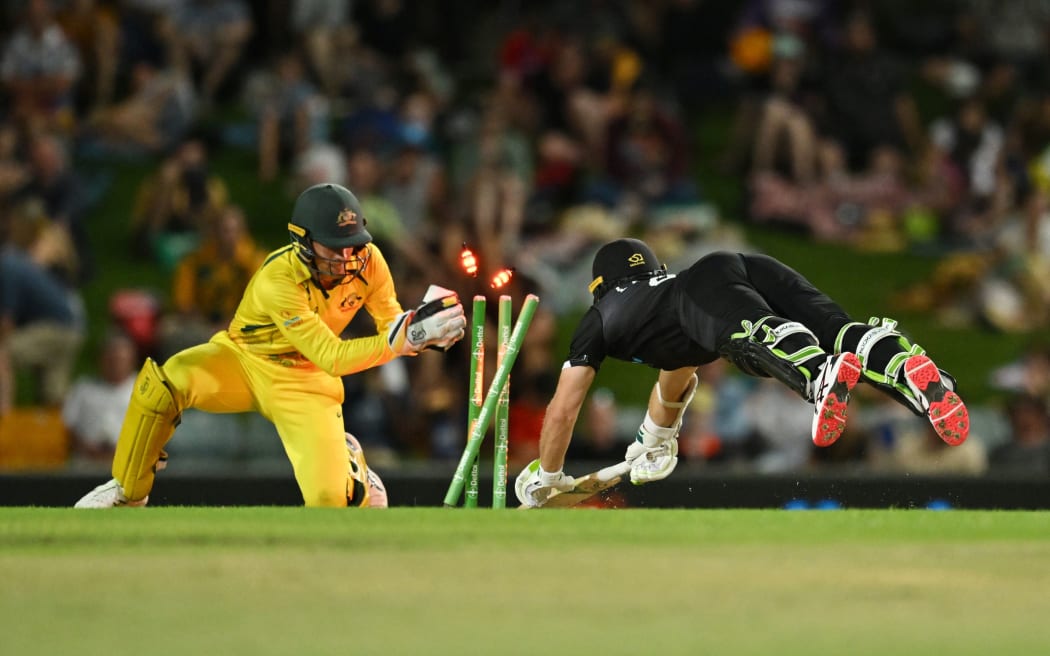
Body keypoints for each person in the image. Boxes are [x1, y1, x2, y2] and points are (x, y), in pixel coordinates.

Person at [75, 182, 466, 508]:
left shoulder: (369, 261)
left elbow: (391, 323)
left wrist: (427, 329)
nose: (347, 258)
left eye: (354, 244)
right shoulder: (279, 280)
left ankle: (351, 466)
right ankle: (128, 491)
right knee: (167, 381)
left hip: (306, 382)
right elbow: (334, 355)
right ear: (304, 242)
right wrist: (407, 339)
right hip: (244, 361)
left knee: (330, 503)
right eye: (335, 246)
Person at [515, 238, 970, 507]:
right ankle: (906, 367)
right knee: (838, 328)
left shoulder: (601, 316)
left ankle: (817, 374)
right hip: (740, 265)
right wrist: (652, 438)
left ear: (599, 287)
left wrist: (549, 475)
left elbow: (563, 409)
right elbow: (676, 376)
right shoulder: (661, 310)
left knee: (753, 338)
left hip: (707, 291)